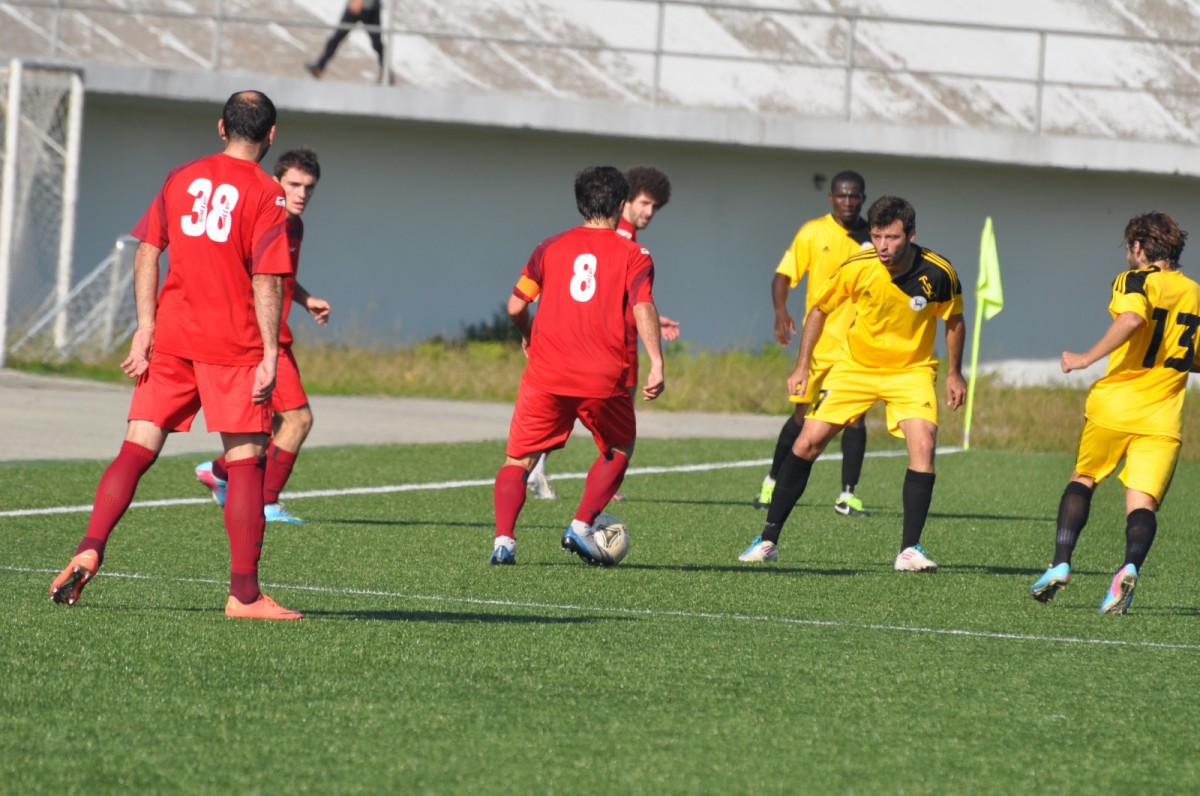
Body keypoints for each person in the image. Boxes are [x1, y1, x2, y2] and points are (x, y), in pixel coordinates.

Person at [49, 90, 302, 621]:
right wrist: (270, 353)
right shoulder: (267, 192)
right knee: (245, 463)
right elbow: (266, 279)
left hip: (172, 338)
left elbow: (147, 251)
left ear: (221, 127)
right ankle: (245, 596)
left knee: (135, 448)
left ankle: (90, 546)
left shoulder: (181, 176)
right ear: (271, 134)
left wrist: (145, 328)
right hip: (233, 345)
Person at [738, 195, 965, 571]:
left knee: (924, 444)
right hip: (855, 367)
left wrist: (955, 372)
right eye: (876, 236)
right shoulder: (859, 266)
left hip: (911, 371)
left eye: (892, 237)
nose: (882, 246)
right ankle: (767, 539)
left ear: (911, 235)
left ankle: (909, 550)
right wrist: (802, 366)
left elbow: (954, 319)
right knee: (806, 443)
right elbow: (819, 309)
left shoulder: (939, 272)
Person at [490, 165, 665, 565]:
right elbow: (643, 304)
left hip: (545, 374)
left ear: (580, 203)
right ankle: (582, 525)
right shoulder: (634, 254)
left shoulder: (549, 247)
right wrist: (656, 361)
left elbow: (515, 306)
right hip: (602, 377)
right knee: (620, 446)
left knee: (518, 460)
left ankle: (503, 542)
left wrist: (528, 334)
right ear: (620, 205)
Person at [1030, 212, 1199, 614]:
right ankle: (1128, 568)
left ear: (1138, 247)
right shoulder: (1194, 292)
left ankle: (1060, 563)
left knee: (1084, 478)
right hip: (1163, 417)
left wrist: (1085, 358)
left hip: (1116, 406)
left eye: (1128, 247)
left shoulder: (1135, 280)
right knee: (1142, 503)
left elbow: (1133, 318)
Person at [194, 148, 331, 524]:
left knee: (267, 427)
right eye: (294, 184)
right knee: (298, 420)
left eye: (309, 187)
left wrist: (305, 299)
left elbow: (277, 277)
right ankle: (266, 503)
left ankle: (218, 471)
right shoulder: (260, 219)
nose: (302, 193)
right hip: (257, 339)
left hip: (272, 337)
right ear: (276, 181)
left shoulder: (295, 226)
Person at [525, 165, 677, 502]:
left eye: (655, 206)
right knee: (615, 417)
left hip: (610, 338)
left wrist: (655, 319)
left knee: (573, 406)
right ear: (625, 201)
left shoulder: (623, 236)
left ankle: (547, 469)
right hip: (611, 343)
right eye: (644, 203)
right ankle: (602, 486)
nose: (649, 212)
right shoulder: (619, 237)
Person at [753, 170, 872, 517]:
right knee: (802, 416)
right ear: (831, 197)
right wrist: (780, 311)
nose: (848, 201)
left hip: (858, 346)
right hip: (818, 344)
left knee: (856, 418)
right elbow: (783, 276)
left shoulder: (873, 239)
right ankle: (772, 481)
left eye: (854, 196)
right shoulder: (813, 232)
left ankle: (848, 496)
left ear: (863, 198)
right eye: (842, 195)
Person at [306, 0, 386, 83]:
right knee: (336, 38)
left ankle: (387, 74)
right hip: (360, 5)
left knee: (377, 43)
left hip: (368, 7)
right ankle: (319, 67)